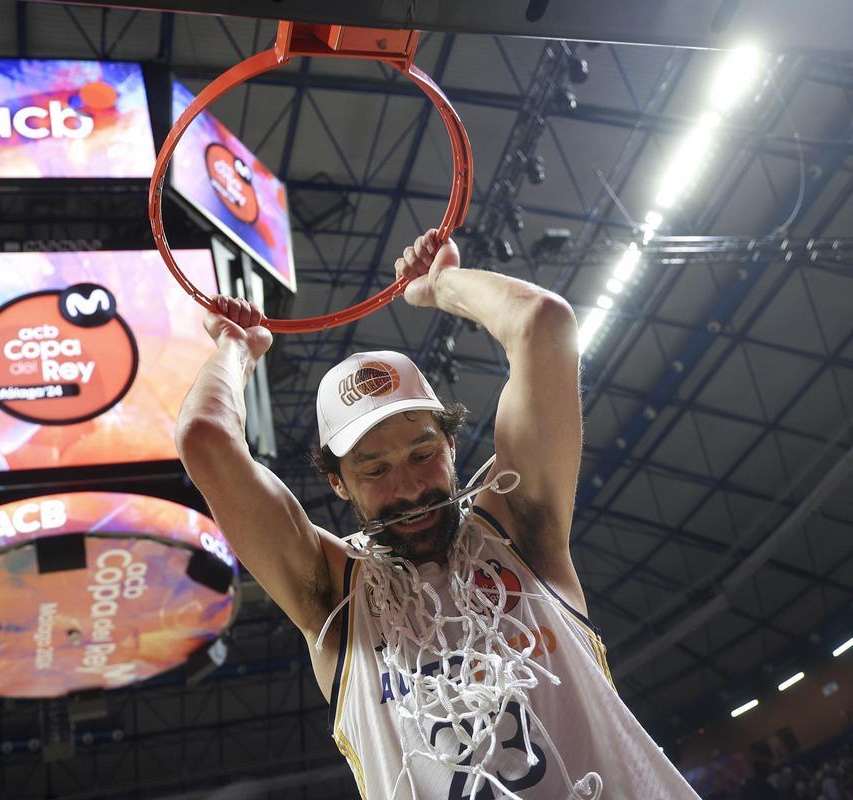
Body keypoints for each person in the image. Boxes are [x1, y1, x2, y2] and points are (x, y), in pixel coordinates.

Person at [176, 230, 701, 799]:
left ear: (451, 447)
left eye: (422, 455)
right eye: (374, 471)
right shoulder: (331, 593)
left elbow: (543, 323)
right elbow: (205, 439)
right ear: (338, 484)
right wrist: (235, 347)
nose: (407, 488)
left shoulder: (521, 527)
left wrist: (440, 285)